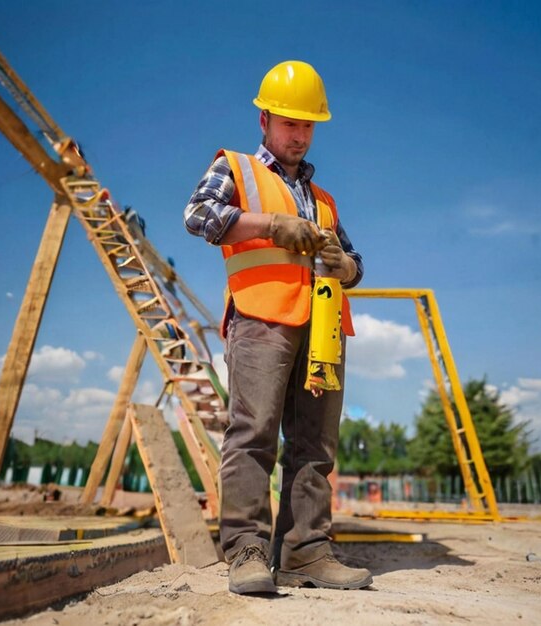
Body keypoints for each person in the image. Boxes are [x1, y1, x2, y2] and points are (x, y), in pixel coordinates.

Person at [184, 60, 371, 594]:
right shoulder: (238, 169)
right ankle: (246, 550)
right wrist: (270, 225)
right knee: (254, 434)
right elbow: (198, 215)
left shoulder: (324, 200)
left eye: (309, 125)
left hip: (323, 329)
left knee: (315, 445)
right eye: (290, 123)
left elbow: (357, 262)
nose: (300, 135)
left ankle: (305, 553)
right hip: (261, 319)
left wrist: (345, 266)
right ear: (264, 120)